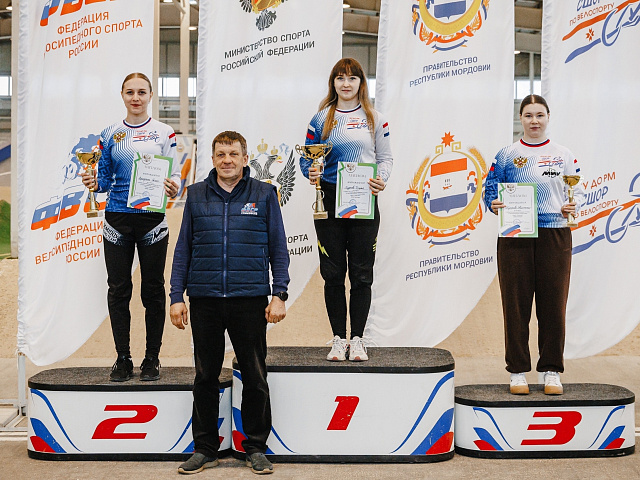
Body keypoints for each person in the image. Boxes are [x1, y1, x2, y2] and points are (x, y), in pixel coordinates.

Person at [170, 131, 289, 475]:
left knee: (254, 376)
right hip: (204, 299)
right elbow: (183, 249)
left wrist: (279, 294)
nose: (227, 160)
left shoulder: (264, 194)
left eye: (233, 154)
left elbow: (278, 248)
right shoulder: (196, 195)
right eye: (221, 154)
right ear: (212, 159)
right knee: (205, 376)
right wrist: (176, 296)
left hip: (249, 299)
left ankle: (255, 448)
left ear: (245, 158)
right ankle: (205, 449)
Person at [81, 72, 180, 382]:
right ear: (122, 95)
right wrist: (92, 182)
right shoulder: (110, 133)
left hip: (152, 219)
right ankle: (122, 358)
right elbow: (102, 180)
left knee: (153, 290)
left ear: (151, 95)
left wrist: (174, 187)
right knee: (118, 289)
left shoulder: (165, 132)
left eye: (141, 92)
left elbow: (175, 175)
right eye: (130, 92)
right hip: (117, 219)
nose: (135, 98)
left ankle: (152, 358)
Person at [484, 94, 584, 396]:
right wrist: (494, 203)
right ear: (521, 119)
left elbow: (575, 194)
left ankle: (551, 370)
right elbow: (490, 190)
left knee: (553, 304)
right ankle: (517, 371)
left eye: (540, 115)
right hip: (515, 236)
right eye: (528, 115)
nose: (534, 121)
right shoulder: (506, 155)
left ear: (548, 117)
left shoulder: (563, 154)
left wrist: (572, 206)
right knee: (515, 305)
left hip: (555, 234)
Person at [300, 58, 393, 362]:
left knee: (362, 274)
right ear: (333, 83)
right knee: (333, 273)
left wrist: (381, 179)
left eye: (352, 78)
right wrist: (310, 171)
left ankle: (358, 339)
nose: (346, 83)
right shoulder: (320, 119)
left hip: (363, 200)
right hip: (328, 200)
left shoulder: (375, 119)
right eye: (340, 78)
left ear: (361, 83)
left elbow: (385, 159)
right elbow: (306, 158)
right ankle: (339, 339)